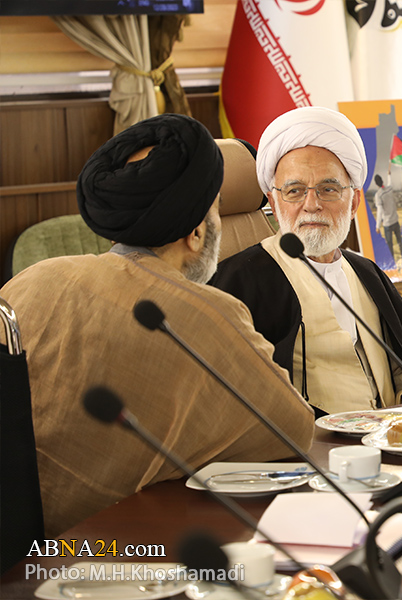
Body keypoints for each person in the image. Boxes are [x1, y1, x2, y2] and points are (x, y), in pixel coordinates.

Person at [0, 114, 315, 537]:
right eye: (217, 208)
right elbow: (291, 428)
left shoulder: (32, 279)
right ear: (196, 233)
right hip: (113, 551)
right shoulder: (207, 314)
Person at [211, 107, 402, 416]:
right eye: (294, 191)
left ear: (354, 202)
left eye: (328, 189)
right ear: (273, 202)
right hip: (308, 443)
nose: (311, 205)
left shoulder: (367, 273)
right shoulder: (240, 281)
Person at [373, 172, 402, 258]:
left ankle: (392, 258)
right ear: (382, 181)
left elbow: (380, 211)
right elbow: (390, 183)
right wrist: (389, 175)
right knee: (399, 240)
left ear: (376, 184)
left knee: (390, 244)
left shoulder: (378, 195)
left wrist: (377, 226)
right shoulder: (389, 189)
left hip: (387, 224)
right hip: (395, 220)